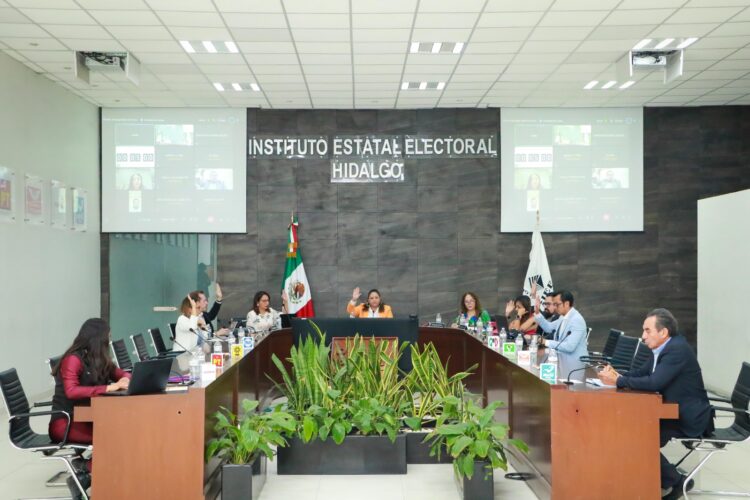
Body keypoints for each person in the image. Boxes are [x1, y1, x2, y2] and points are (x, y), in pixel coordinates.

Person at [598, 309, 712, 500]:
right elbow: (642, 373)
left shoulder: (676, 350)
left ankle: (676, 481)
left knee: (638, 439)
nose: (643, 336)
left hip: (687, 416)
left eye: (647, 330)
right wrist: (617, 375)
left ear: (663, 332)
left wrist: (618, 381)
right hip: (669, 411)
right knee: (631, 434)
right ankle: (663, 479)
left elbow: (654, 383)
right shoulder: (662, 348)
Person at [49, 318, 131, 499]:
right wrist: (108, 387)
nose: (109, 340)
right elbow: (71, 391)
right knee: (114, 439)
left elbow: (120, 373)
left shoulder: (99, 359)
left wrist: (126, 378)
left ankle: (84, 474)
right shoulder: (73, 359)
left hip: (88, 417)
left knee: (125, 433)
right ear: (98, 338)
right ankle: (85, 472)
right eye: (107, 337)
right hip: (65, 423)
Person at [534, 290, 588, 382]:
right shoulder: (562, 317)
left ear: (566, 304)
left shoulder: (576, 320)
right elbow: (548, 327)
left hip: (574, 366)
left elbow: (569, 346)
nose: (555, 307)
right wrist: (538, 312)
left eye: (557, 304)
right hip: (562, 362)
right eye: (554, 304)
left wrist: (546, 342)